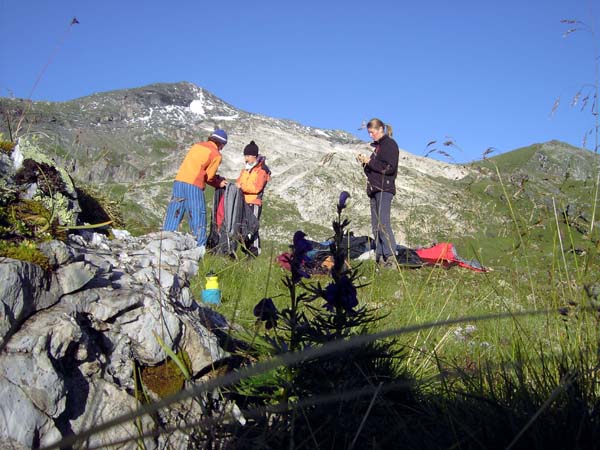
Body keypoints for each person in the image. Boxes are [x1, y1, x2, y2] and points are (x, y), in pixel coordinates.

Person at [163, 129, 229, 253]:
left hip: (179, 182)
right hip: (193, 185)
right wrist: (218, 183)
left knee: (174, 214)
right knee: (198, 216)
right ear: (221, 144)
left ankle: (164, 245)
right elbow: (209, 177)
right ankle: (199, 250)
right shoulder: (216, 154)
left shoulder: (197, 146)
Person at [357, 118, 399, 268]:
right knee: (376, 225)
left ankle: (390, 256)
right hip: (375, 189)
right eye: (369, 133)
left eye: (372, 132)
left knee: (383, 223)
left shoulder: (389, 145)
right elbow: (374, 169)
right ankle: (380, 256)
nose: (370, 135)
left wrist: (370, 162)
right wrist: (365, 164)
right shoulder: (378, 148)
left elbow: (389, 167)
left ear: (380, 129)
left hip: (384, 189)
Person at [236, 140, 271, 256]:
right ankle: (247, 250)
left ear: (254, 156)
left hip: (254, 202)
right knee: (243, 227)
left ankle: (255, 251)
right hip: (243, 202)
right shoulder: (245, 170)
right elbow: (239, 181)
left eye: (248, 156)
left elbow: (257, 188)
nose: (246, 158)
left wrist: (241, 186)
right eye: (245, 156)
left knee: (252, 226)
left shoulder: (262, 170)